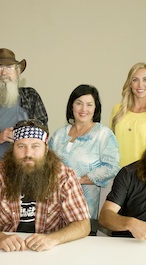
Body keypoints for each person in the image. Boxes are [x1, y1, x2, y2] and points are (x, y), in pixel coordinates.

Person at [0, 119, 90, 252]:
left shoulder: (64, 176)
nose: (28, 154)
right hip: (6, 251)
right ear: (12, 148)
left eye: (35, 146)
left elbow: (82, 224)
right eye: (21, 146)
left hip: (49, 251)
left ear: (46, 149)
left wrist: (52, 239)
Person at [49, 84, 119, 235]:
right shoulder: (59, 134)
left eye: (89, 104)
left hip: (85, 211)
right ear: (71, 106)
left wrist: (78, 179)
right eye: (79, 103)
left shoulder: (103, 134)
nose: (83, 109)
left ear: (95, 108)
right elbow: (46, 165)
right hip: (54, 210)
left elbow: (111, 167)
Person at [0, 48, 48, 176]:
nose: (4, 72)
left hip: (29, 170)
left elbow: (44, 131)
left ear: (17, 72)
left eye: (9, 67)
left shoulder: (31, 96)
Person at [110, 62, 146, 167]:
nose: (140, 85)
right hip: (117, 175)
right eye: (135, 80)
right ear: (130, 84)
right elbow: (109, 145)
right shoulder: (117, 110)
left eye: (145, 79)